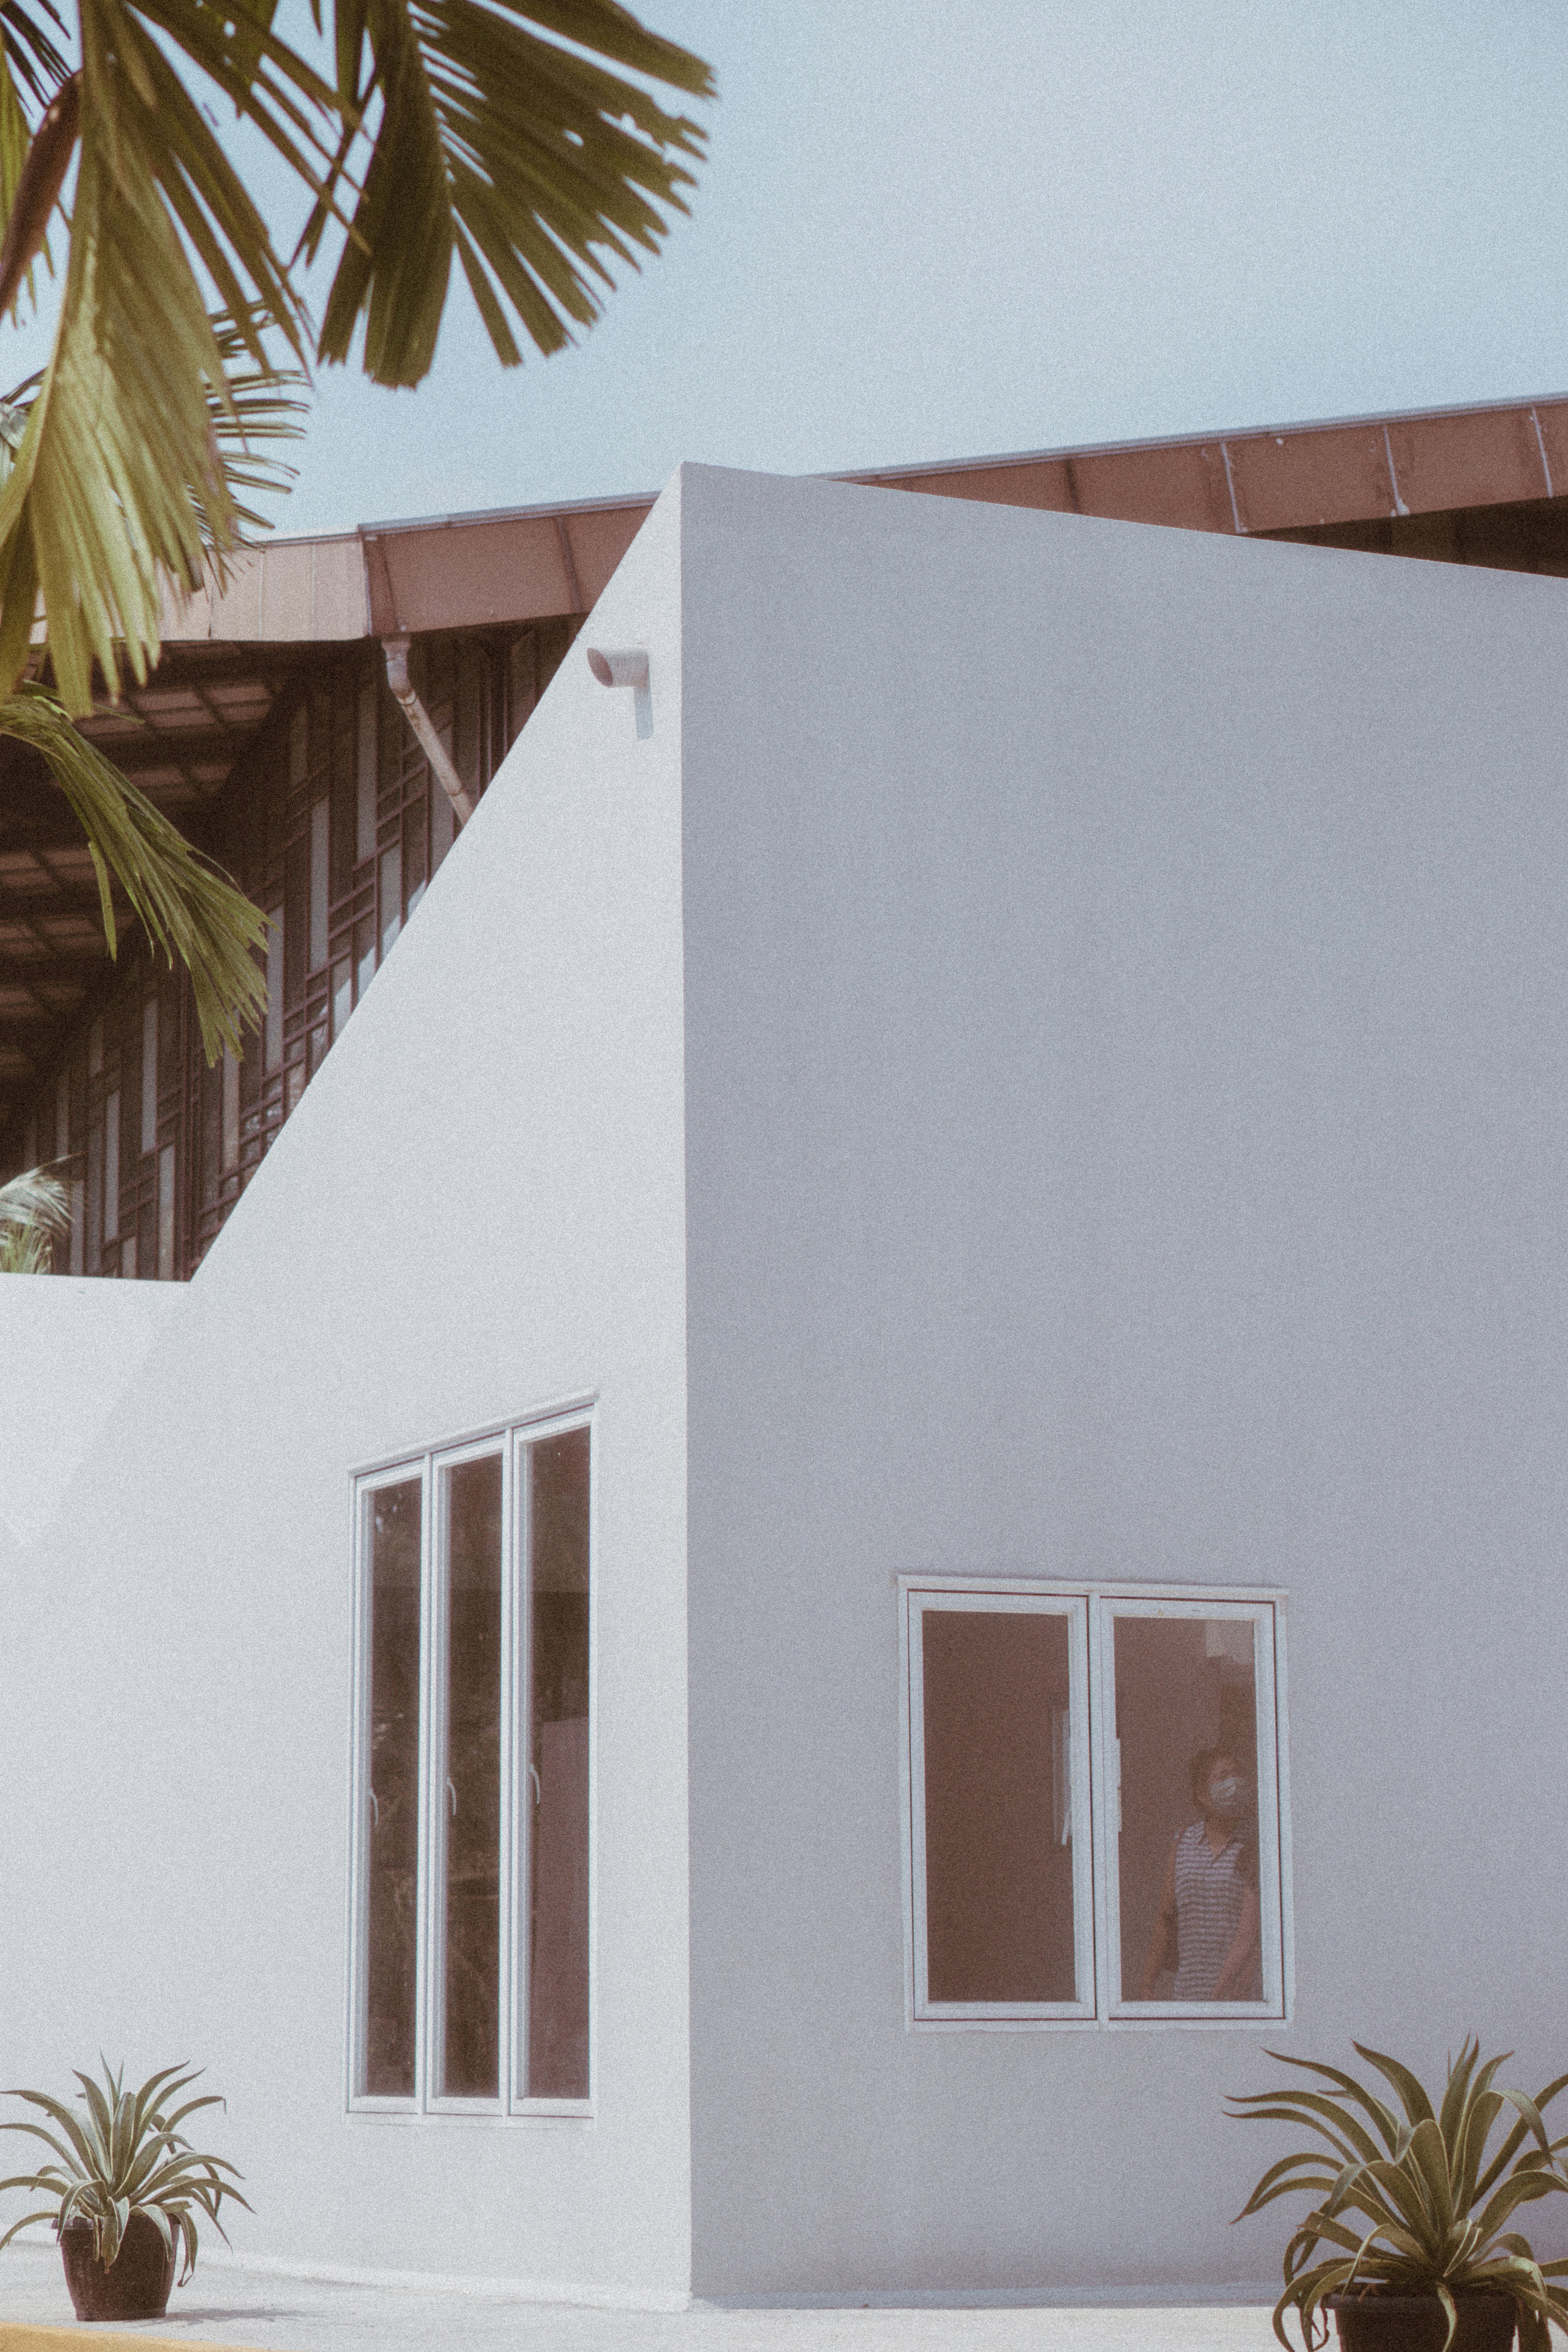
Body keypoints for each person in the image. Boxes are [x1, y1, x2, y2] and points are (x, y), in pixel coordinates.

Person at [1137, 1747, 1262, 2002]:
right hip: (1190, 1991)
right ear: (1203, 1795)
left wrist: (1242, 1976)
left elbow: (1261, 1929)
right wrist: (1148, 1983)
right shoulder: (1184, 1840)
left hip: (1238, 1993)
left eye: (1237, 1774)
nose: (1233, 1782)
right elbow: (1166, 1916)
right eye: (1223, 1776)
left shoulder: (1255, 1842)